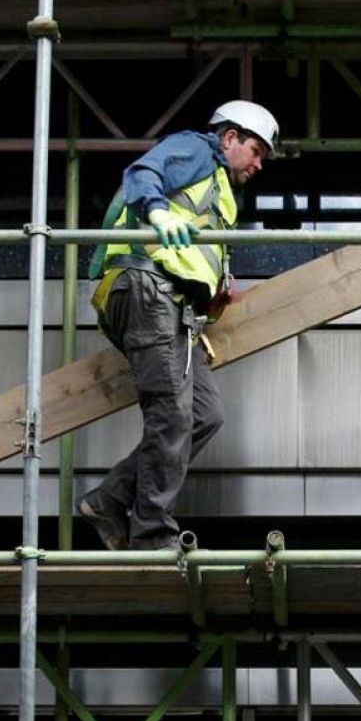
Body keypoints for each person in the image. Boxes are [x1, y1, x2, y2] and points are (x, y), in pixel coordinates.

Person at [76, 100, 279, 550]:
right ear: (230, 138)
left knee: (205, 415)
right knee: (171, 417)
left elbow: (190, 257)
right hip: (147, 290)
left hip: (174, 306)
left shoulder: (220, 192)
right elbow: (140, 175)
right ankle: (150, 534)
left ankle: (109, 500)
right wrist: (157, 212)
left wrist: (215, 295)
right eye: (257, 150)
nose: (259, 163)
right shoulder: (196, 150)